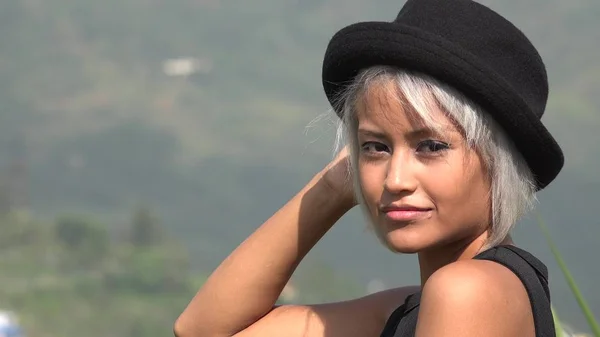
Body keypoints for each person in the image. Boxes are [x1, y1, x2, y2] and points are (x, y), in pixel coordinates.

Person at [174, 0, 564, 336]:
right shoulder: (413, 308)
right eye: (376, 147)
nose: (395, 179)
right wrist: (332, 186)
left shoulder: (466, 291)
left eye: (431, 146)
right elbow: (203, 330)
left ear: (500, 162)